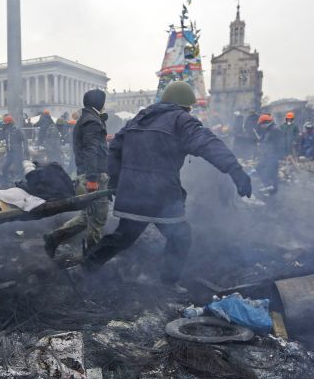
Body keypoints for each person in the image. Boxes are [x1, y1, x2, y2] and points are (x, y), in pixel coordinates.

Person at [74, 81, 252, 292]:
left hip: (133, 193)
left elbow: (115, 149)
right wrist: (235, 170)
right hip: (161, 194)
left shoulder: (138, 119)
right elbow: (208, 144)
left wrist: (115, 180)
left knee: (123, 237)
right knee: (181, 236)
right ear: (185, 106)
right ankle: (168, 282)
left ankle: (85, 268)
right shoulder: (181, 120)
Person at [44, 89, 109, 259]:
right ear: (99, 102)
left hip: (87, 174)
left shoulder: (86, 118)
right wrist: (93, 178)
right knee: (98, 218)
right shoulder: (92, 121)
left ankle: (54, 238)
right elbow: (90, 150)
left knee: (87, 216)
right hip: (94, 176)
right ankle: (92, 257)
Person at [254, 114, 285, 196]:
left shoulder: (275, 130)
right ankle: (267, 185)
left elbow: (280, 144)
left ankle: (272, 191)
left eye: (261, 124)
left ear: (265, 122)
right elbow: (267, 140)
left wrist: (278, 155)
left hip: (273, 155)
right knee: (259, 168)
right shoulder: (269, 129)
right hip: (267, 155)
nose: (260, 126)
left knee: (272, 173)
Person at [0, 114, 29, 184]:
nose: (5, 125)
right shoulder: (6, 130)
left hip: (17, 153)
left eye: (6, 124)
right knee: (4, 167)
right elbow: (1, 138)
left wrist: (26, 150)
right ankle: (6, 182)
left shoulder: (17, 130)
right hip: (9, 153)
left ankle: (22, 183)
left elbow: (24, 139)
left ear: (10, 123)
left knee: (19, 169)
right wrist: (2, 130)